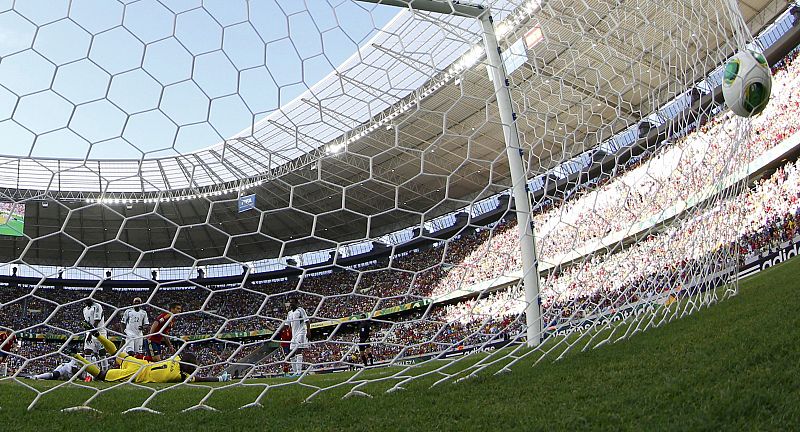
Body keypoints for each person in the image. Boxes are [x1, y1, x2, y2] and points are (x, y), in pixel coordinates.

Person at [74, 333, 228, 383]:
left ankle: (97, 335)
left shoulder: (175, 359)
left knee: (115, 352)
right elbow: (201, 379)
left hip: (139, 363)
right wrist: (219, 379)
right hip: (137, 373)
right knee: (101, 375)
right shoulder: (180, 376)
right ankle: (76, 355)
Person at [278, 298, 309, 376]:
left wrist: (309, 331)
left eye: (292, 302)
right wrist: (278, 330)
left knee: (298, 351)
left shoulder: (300, 310)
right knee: (291, 354)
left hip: (301, 333)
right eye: (290, 303)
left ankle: (299, 372)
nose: (291, 304)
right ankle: (295, 372)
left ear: (296, 303)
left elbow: (307, 321)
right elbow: (286, 325)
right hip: (294, 335)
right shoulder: (289, 313)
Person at [82, 298, 108, 371]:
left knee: (102, 353)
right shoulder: (84, 309)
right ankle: (89, 374)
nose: (87, 300)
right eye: (85, 299)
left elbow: (97, 321)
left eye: (88, 299)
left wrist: (91, 334)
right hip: (89, 332)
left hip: (99, 332)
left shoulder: (97, 306)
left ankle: (105, 371)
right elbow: (87, 322)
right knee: (87, 351)